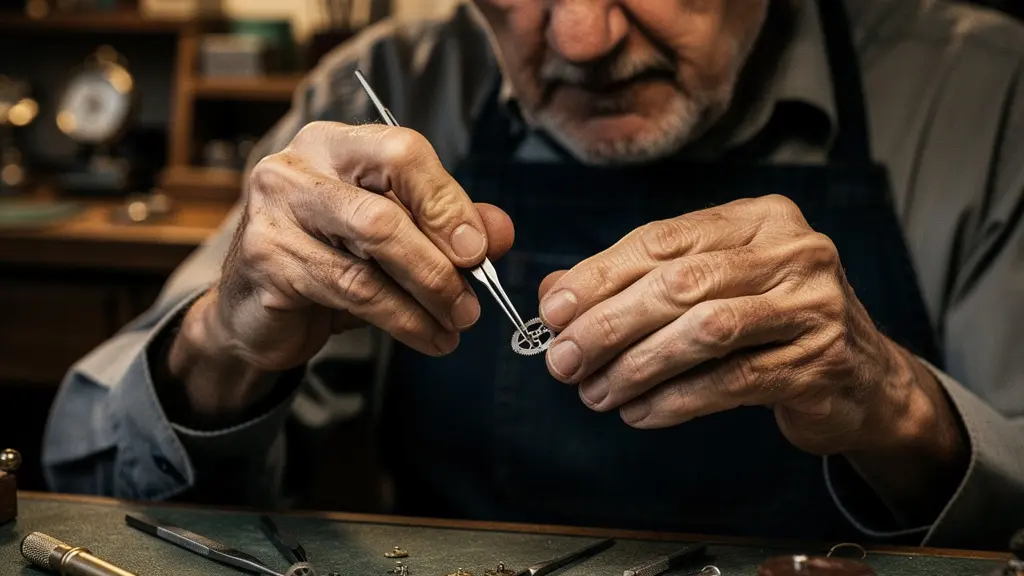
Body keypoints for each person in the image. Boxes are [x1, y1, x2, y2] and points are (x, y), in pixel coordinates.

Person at [42, 0, 1024, 551]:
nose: (582, 39)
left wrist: (893, 408)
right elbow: (81, 476)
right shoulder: (380, 90)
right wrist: (220, 350)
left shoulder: (983, 94)